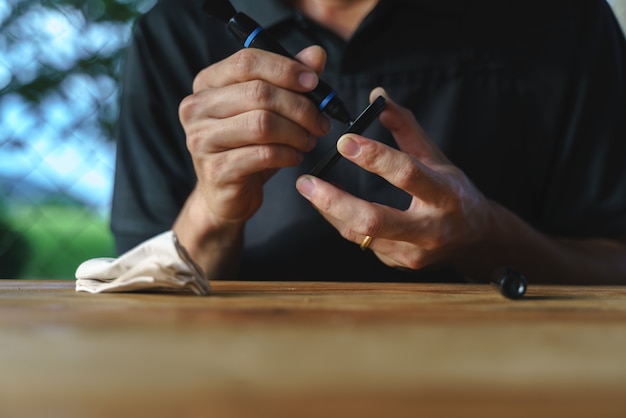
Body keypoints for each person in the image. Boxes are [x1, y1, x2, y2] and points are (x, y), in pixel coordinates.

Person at [111, 0, 626, 285]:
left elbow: (614, 263)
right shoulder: (174, 31)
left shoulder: (562, 18)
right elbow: (136, 291)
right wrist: (212, 211)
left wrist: (487, 235)